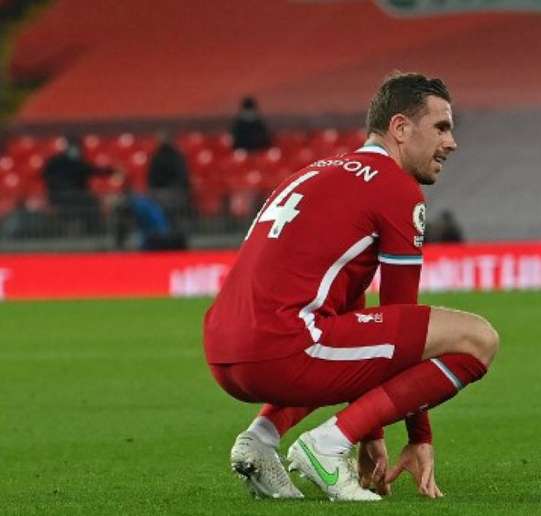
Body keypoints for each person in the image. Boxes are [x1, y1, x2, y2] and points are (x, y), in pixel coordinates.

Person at [203, 73, 499, 502]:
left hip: (224, 351)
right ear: (400, 128)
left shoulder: (312, 172)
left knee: (338, 332)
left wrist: (371, 430)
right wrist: (418, 436)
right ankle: (325, 446)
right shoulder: (396, 188)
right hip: (284, 350)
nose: (451, 142)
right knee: (478, 338)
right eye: (441, 127)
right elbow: (406, 327)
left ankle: (260, 440)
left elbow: (361, 323)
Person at [42, 136, 114, 234]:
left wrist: (110, 171)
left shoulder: (77, 162)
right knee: (90, 203)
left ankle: (92, 231)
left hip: (72, 196)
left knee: (91, 203)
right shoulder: (56, 162)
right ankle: (92, 231)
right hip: (64, 197)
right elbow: (45, 176)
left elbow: (92, 170)